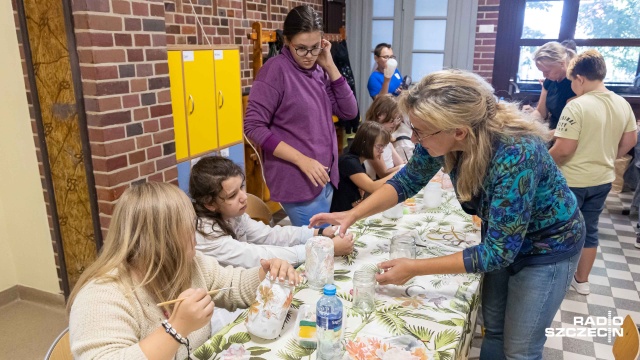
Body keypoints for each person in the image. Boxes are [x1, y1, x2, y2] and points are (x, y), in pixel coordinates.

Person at [310, 70, 585, 359]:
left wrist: (414, 268)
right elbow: (406, 181)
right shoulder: (443, 138)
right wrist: (352, 215)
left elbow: (497, 253)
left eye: (419, 131)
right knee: (494, 328)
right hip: (502, 237)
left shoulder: (516, 153)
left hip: (549, 247)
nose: (414, 138)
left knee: (520, 349)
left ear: (458, 131)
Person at [67, 182, 299, 359]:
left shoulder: (190, 264)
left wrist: (267, 273)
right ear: (159, 240)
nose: (196, 235)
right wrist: (177, 328)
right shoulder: (101, 296)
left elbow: (233, 286)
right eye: (188, 228)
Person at [243, 5, 358, 227]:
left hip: (323, 176)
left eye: (315, 47)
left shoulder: (318, 68)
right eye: (301, 48)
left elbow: (349, 111)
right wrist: (302, 160)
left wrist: (330, 66)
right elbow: (253, 126)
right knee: (318, 246)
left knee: (320, 245)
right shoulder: (276, 70)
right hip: (298, 179)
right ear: (287, 41)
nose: (308, 56)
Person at [549, 49, 637, 295]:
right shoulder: (622, 103)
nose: (573, 88)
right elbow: (629, 141)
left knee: (561, 229)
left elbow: (564, 149)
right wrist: (607, 155)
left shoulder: (577, 106)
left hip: (572, 179)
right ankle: (582, 281)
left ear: (579, 78)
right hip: (603, 179)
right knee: (589, 228)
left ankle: (556, 281)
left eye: (572, 83)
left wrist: (542, 163)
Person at [190, 155, 355, 268]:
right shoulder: (206, 234)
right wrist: (324, 249)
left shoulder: (231, 215)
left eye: (241, 187)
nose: (243, 197)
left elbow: (270, 235)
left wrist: (319, 233)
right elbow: (259, 255)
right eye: (233, 195)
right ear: (210, 204)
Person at [331, 121, 398, 212]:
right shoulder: (349, 161)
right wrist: (400, 171)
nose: (382, 151)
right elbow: (372, 187)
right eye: (379, 146)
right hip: (341, 215)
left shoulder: (358, 161)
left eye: (383, 147)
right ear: (365, 143)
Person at [526, 41, 577, 131]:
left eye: (547, 71)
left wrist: (544, 135)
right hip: (552, 128)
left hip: (566, 133)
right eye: (542, 71)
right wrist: (526, 123)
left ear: (562, 63)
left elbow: (570, 127)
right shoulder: (549, 81)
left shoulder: (575, 85)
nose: (544, 75)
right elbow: (540, 112)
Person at [363, 95, 406, 179]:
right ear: (380, 115)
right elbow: (382, 173)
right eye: (393, 118)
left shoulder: (386, 139)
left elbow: (400, 163)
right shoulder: (371, 139)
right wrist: (404, 167)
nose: (395, 122)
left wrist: (403, 166)